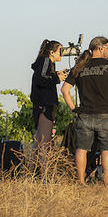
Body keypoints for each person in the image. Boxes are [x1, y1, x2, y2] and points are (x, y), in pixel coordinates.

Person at [61, 37, 108, 185]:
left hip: (85, 114)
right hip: (107, 114)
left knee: (82, 149)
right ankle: (107, 182)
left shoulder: (79, 66)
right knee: (106, 150)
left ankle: (81, 181)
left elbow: (65, 90)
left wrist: (74, 109)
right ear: (100, 48)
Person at [30, 39, 67, 170]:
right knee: (45, 143)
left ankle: (28, 174)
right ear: (51, 52)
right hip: (45, 106)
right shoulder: (46, 61)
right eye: (60, 51)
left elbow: (43, 76)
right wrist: (57, 78)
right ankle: (46, 176)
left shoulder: (45, 63)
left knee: (38, 142)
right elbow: (42, 78)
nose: (62, 54)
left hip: (41, 105)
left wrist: (56, 74)